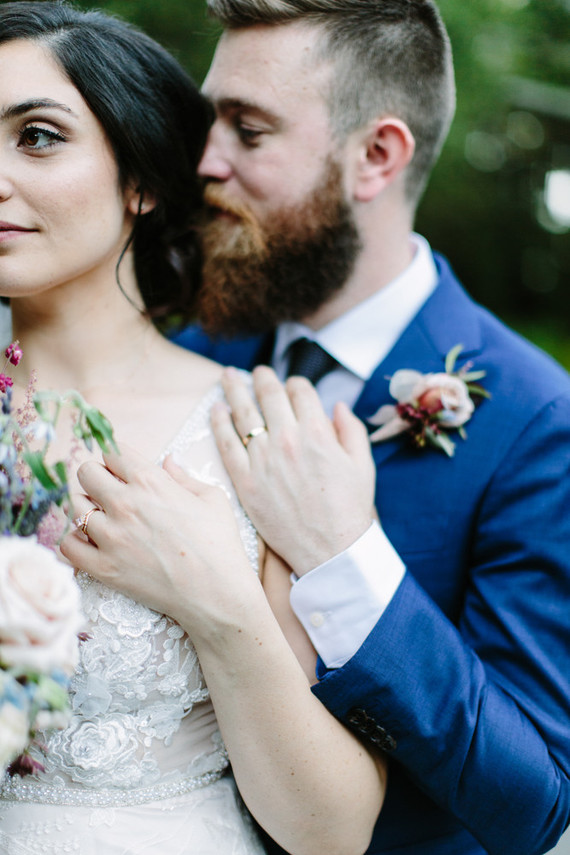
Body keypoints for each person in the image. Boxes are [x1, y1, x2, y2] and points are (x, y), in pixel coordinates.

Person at [162, 1, 568, 853]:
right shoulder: (181, 347)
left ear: (376, 155)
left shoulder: (537, 424)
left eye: (248, 129)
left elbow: (534, 805)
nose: (205, 161)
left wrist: (348, 559)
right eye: (209, 122)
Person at [0, 4, 388, 854]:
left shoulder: (257, 427)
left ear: (140, 181)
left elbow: (334, 828)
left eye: (36, 136)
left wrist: (215, 601)